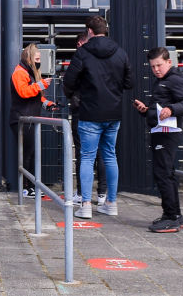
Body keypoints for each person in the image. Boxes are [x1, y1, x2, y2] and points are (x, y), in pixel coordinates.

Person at [63, 15, 132, 219]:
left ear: (90, 31)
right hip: (113, 113)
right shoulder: (120, 53)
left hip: (89, 112)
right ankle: (110, 202)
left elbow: (68, 81)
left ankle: (85, 204)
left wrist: (77, 95)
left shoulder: (83, 53)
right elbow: (129, 83)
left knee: (86, 156)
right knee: (110, 156)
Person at [133, 47, 183, 233]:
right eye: (152, 66)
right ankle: (173, 215)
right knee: (166, 173)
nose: (156, 69)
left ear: (169, 62)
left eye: (159, 65)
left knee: (163, 173)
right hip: (160, 131)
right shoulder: (162, 81)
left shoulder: (175, 79)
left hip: (167, 133)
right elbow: (161, 105)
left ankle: (172, 216)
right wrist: (147, 110)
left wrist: (172, 109)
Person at [9, 43, 59, 197]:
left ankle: (30, 186)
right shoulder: (19, 73)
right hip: (22, 119)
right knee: (28, 154)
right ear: (29, 58)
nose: (39, 61)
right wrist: (40, 84)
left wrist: (47, 104)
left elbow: (36, 97)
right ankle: (26, 187)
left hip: (28, 119)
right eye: (37, 58)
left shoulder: (28, 72)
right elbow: (23, 92)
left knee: (31, 153)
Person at [64, 31, 107, 203]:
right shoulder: (105, 60)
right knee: (102, 153)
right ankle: (103, 194)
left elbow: (68, 84)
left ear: (80, 44)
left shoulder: (80, 59)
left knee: (84, 153)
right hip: (102, 110)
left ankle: (82, 193)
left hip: (82, 110)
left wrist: (73, 97)